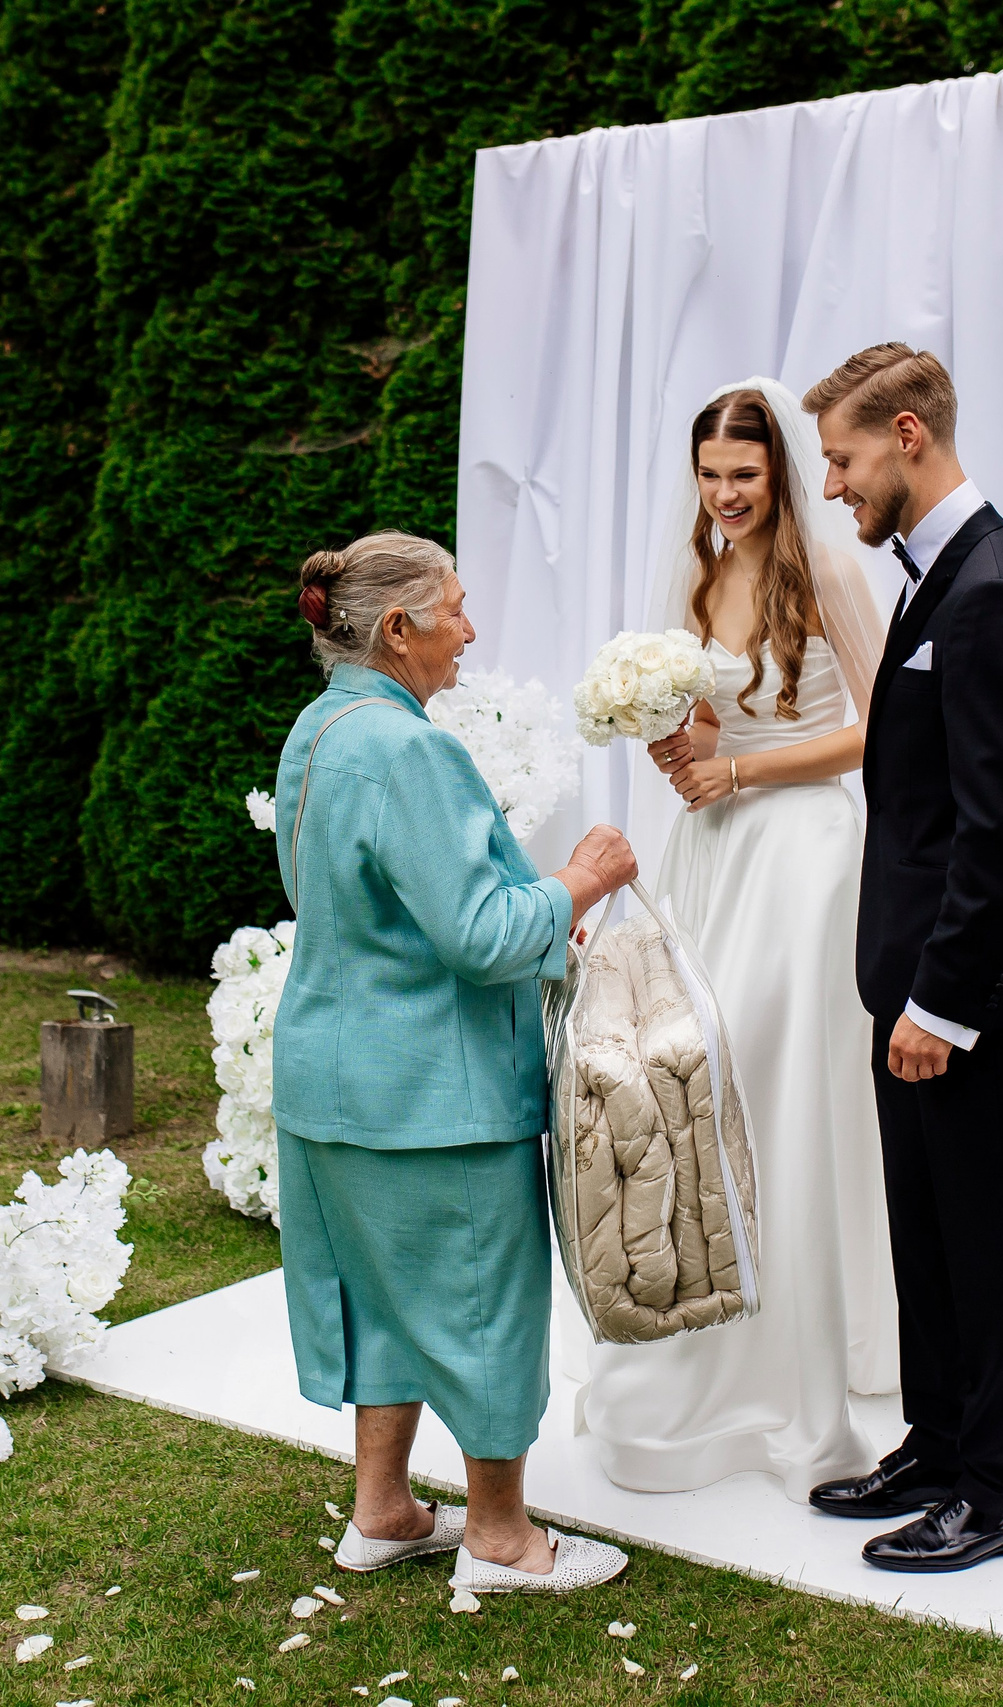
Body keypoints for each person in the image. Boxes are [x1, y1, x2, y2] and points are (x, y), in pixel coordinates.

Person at [271, 529, 638, 1595]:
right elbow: (477, 934)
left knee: (385, 1296)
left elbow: (354, 900)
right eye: (456, 610)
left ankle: (383, 1513)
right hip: (431, 1090)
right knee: (480, 1304)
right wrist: (579, 877)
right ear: (399, 628)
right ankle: (502, 1539)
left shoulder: (321, 728)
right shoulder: (409, 749)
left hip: (333, 1075)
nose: (470, 632)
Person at [800, 345, 1003, 1573]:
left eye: (844, 459)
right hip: (916, 987)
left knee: (989, 1233)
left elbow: (1002, 827)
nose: (832, 488)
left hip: (975, 994)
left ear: (908, 435)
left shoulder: (994, 592)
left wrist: (940, 1005)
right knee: (922, 1230)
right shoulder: (940, 575)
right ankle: (938, 1443)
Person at [582, 379, 899, 1500]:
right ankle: (710, 1318)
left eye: (746, 476)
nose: (726, 496)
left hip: (805, 854)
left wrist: (744, 769)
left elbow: (878, 732)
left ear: (781, 476)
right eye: (711, 476)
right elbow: (712, 720)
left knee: (774, 1081)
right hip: (713, 846)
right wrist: (677, 743)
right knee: (701, 1080)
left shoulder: (833, 572)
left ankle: (810, 1352)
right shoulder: (703, 570)